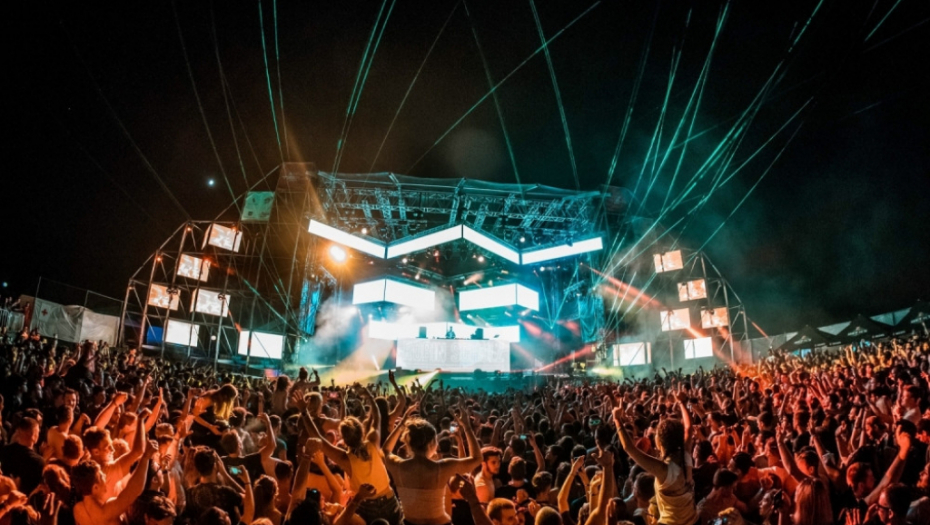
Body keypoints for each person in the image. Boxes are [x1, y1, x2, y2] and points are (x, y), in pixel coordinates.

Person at [302, 384, 404, 525]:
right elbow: (377, 417)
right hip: (389, 500)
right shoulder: (373, 441)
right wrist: (368, 396)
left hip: (367, 506)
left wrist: (304, 411)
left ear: (343, 439)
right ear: (362, 431)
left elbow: (317, 436)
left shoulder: (345, 459)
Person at [383, 398, 482, 525]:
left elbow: (385, 450)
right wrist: (467, 426)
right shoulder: (442, 467)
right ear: (432, 443)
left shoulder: (398, 466)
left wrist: (402, 424)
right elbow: (477, 458)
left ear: (408, 442)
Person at [613, 404, 698, 525]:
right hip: (693, 519)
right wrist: (681, 402)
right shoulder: (686, 454)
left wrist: (617, 419)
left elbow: (629, 448)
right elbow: (688, 428)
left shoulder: (663, 469)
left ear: (659, 442)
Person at [71, 439, 157, 525]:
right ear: (95, 487)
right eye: (101, 476)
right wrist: (146, 457)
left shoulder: (78, 510)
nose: (105, 477)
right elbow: (134, 490)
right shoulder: (106, 512)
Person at [0, 417, 45, 494]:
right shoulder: (38, 462)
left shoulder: (5, 451)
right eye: (38, 432)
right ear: (34, 436)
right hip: (24, 499)